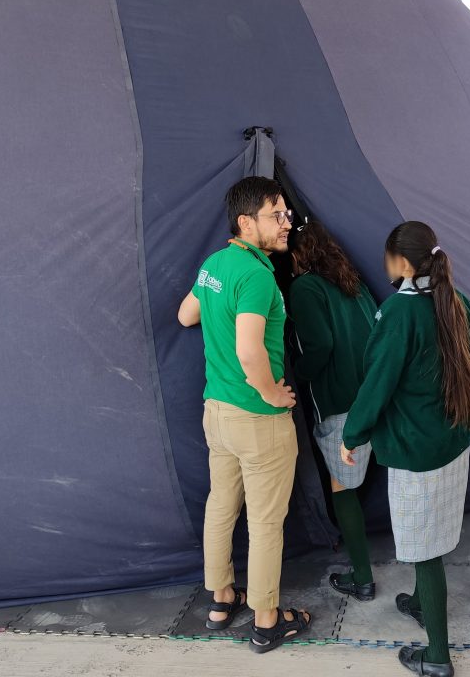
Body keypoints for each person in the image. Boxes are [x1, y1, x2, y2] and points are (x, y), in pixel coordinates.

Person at [341, 221, 470, 677]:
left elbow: (378, 382)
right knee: (435, 532)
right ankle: (421, 602)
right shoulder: (457, 300)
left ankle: (439, 657)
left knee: (426, 550)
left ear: (403, 263)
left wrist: (353, 434)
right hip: (453, 440)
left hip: (415, 450)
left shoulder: (399, 312)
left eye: (388, 257)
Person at [177, 176, 311, 653]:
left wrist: (215, 304)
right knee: (265, 523)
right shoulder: (256, 275)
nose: (286, 224)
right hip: (257, 420)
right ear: (245, 222)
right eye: (276, 215)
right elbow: (250, 350)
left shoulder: (215, 265)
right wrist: (274, 394)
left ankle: (220, 600)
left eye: (286, 215)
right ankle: (267, 621)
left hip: (218, 414)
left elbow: (185, 316)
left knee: (220, 506)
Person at [287, 221, 378, 602]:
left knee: (342, 488)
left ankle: (362, 578)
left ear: (298, 256)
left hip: (339, 404)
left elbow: (319, 344)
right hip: (372, 398)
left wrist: (295, 377)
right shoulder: (353, 283)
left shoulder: (305, 286)